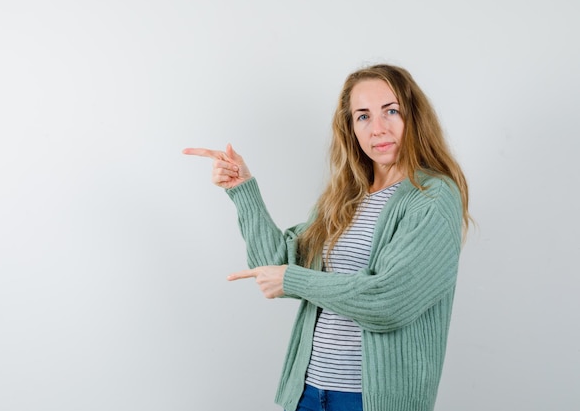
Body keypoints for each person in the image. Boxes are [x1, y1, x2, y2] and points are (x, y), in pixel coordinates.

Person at [183, 64, 471, 411]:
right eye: (363, 116)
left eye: (390, 111)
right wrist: (243, 189)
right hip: (308, 392)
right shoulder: (345, 197)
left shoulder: (433, 196)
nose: (378, 128)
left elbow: (389, 301)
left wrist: (293, 279)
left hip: (371, 401)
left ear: (414, 117)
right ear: (350, 128)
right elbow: (273, 264)